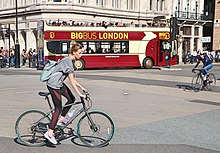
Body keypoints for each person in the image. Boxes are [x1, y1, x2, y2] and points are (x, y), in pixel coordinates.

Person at [44, 42, 87, 145]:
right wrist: (80, 94)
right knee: (58, 109)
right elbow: (72, 81)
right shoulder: (68, 61)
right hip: (53, 85)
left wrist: (82, 88)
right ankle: (49, 133)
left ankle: (61, 120)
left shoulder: (69, 60)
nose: (81, 55)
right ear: (74, 52)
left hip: (59, 84)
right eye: (80, 53)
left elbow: (72, 79)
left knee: (71, 99)